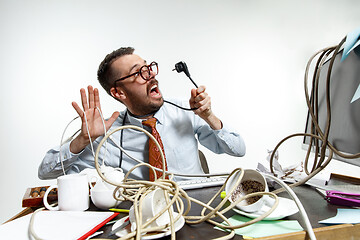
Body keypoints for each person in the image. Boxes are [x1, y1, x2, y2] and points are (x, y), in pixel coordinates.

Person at [38, 47, 246, 181]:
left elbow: (238, 150)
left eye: (149, 68)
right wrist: (82, 140)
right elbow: (46, 172)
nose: (151, 76)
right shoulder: (107, 134)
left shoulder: (187, 110)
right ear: (118, 92)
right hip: (144, 217)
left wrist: (209, 117)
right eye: (139, 73)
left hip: (197, 208)